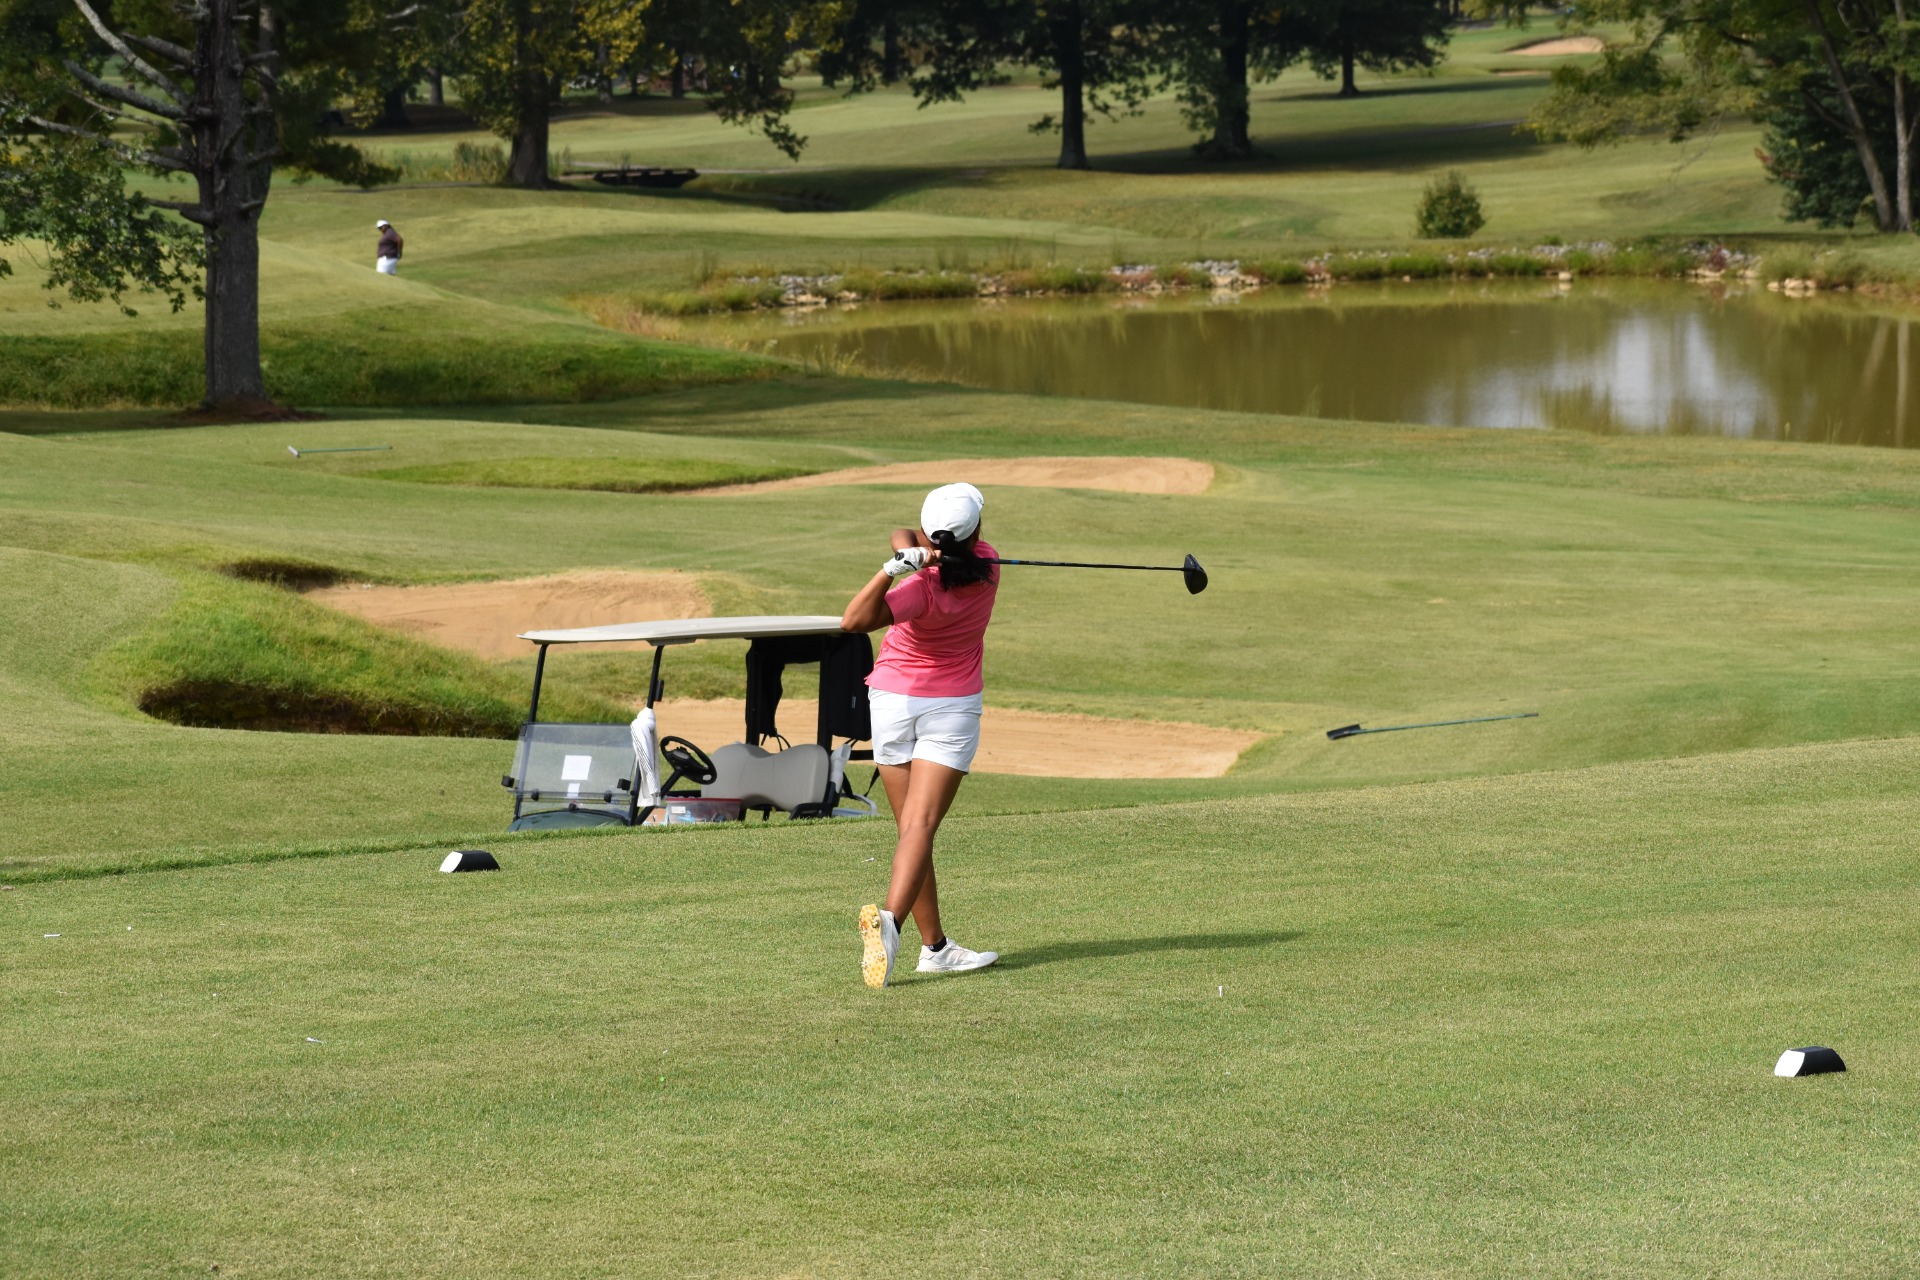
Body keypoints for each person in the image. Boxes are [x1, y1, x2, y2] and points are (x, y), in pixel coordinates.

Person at [840, 482, 1003, 988]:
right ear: (975, 531)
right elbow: (903, 534)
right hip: (950, 708)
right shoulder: (989, 564)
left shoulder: (917, 588)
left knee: (912, 828)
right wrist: (911, 552)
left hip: (891, 701)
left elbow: (855, 620)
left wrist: (895, 567)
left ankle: (935, 949)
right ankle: (891, 924)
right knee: (919, 827)